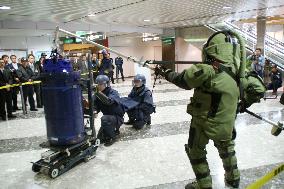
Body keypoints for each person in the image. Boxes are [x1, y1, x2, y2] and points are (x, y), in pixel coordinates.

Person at [155, 31, 243, 189]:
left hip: (204, 121)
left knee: (195, 151)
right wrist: (241, 105)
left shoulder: (208, 69)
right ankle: (233, 179)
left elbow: (183, 80)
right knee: (227, 148)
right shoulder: (237, 71)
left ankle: (204, 184)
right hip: (226, 121)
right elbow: (257, 89)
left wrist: (165, 72)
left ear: (213, 50)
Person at [94, 75, 124, 146]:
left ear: (106, 84)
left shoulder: (113, 92)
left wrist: (98, 93)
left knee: (105, 119)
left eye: (101, 84)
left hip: (117, 118)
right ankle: (114, 131)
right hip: (107, 119)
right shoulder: (97, 95)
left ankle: (112, 137)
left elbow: (109, 101)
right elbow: (95, 106)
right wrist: (94, 111)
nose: (99, 86)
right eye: (98, 84)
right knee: (99, 139)